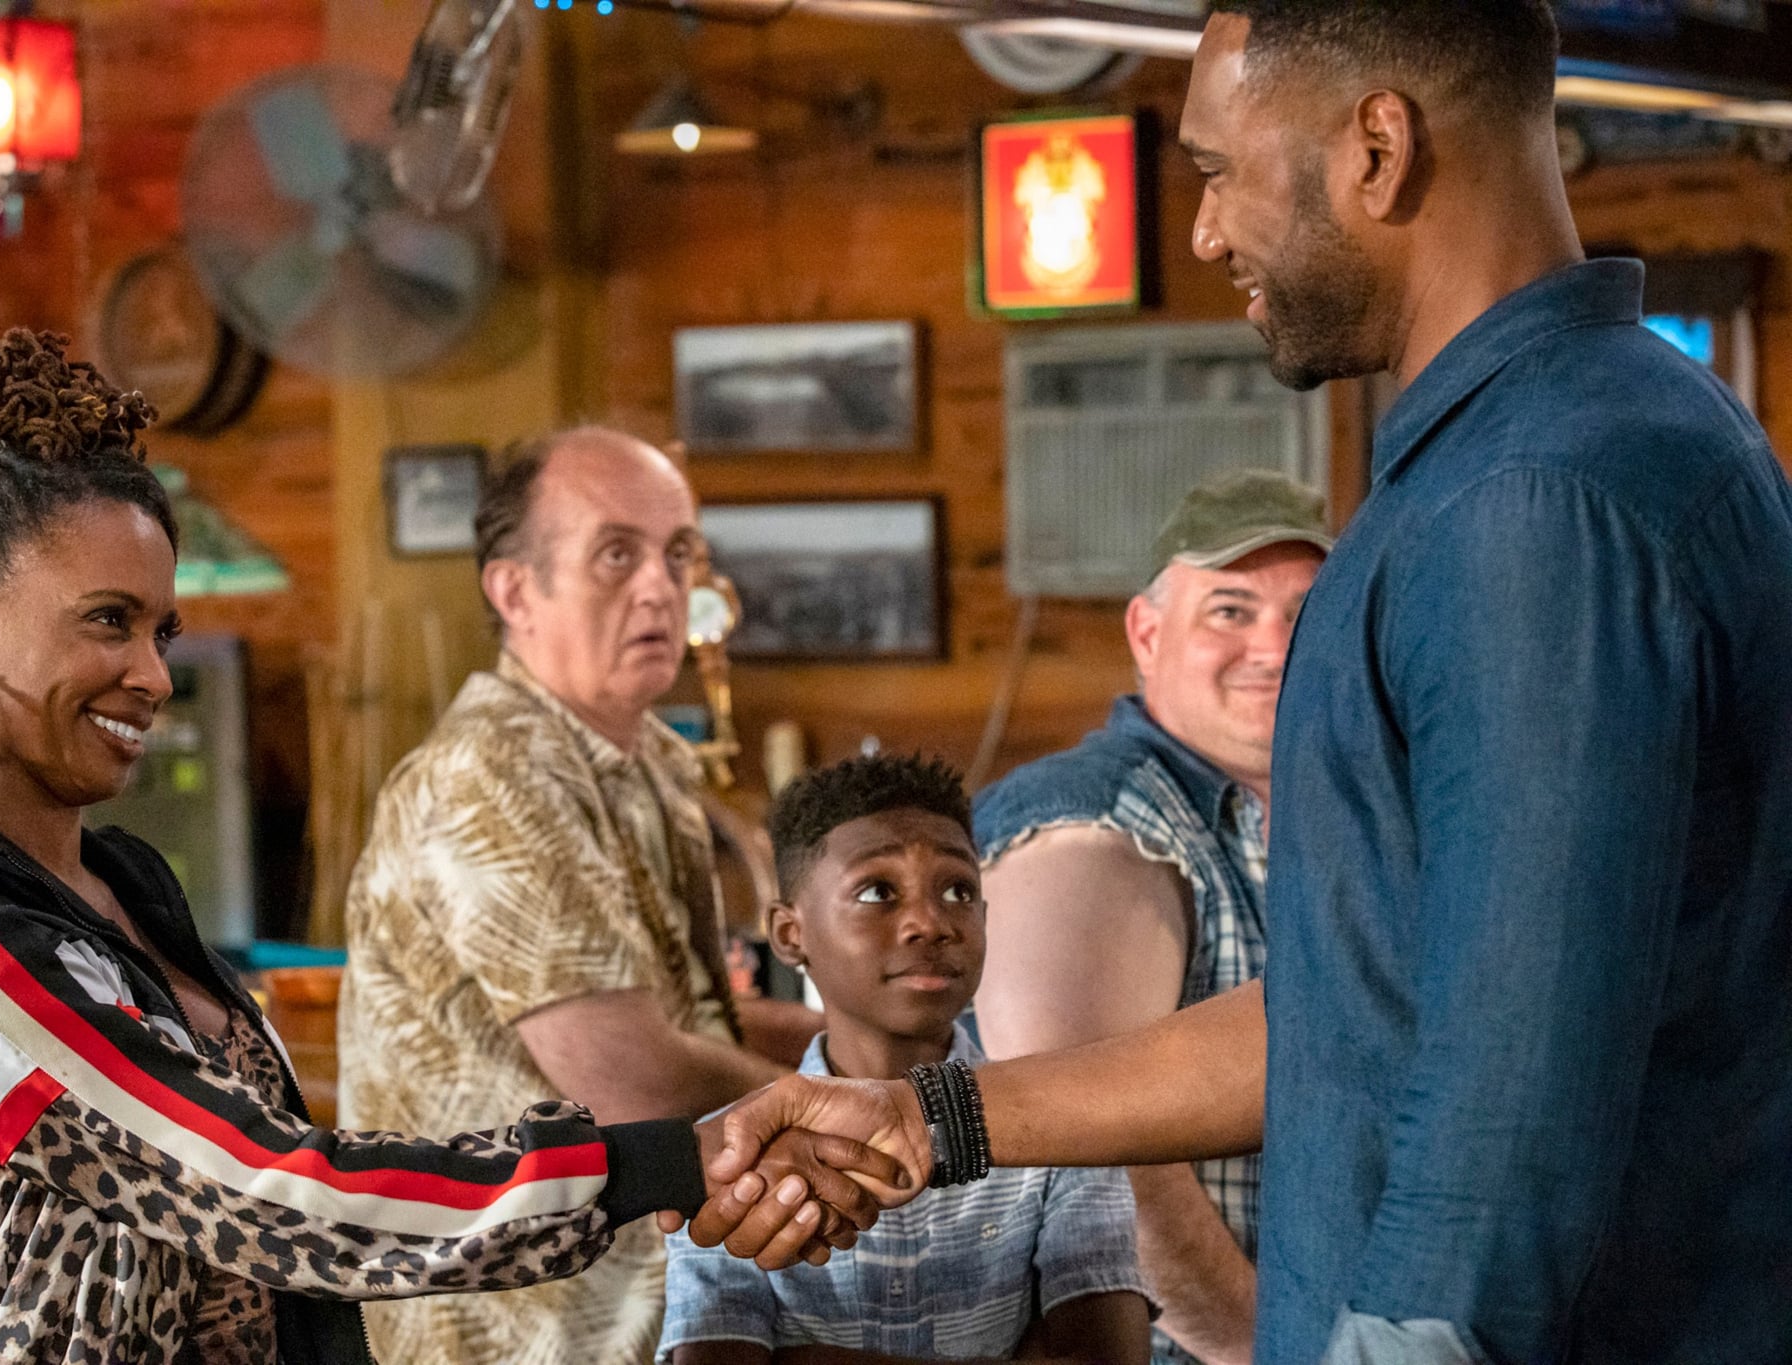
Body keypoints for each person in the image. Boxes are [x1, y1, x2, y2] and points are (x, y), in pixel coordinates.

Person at [687, 4, 1792, 1362]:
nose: (1204, 231)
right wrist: (937, 1118)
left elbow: (1513, 1096)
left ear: (1376, 151)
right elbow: (1362, 1003)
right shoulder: (1556, 446)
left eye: (1218, 170)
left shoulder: (1535, 498)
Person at [0, 332, 893, 1365]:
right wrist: (678, 1157)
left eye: (161, 632)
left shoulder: (122, 879)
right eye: (109, 622)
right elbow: (269, 1190)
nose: (155, 675)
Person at [340, 426, 821, 1365]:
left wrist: (884, 1058)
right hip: (525, 1327)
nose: (660, 587)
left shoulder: (635, 763)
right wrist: (872, 1103)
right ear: (515, 590)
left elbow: (695, 1025)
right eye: (615, 553)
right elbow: (633, 1076)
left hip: (648, 1295)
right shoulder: (492, 773)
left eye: (678, 553)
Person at [973, 470, 1326, 1365]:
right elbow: (1084, 1148)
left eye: (1305, 612)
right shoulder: (1094, 819)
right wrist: (1256, 1345)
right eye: (1232, 610)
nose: (1275, 647)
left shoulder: (1329, 820)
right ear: (1147, 631)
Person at [661, 755, 1154, 1365]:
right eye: (877, 892)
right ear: (791, 935)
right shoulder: (734, 1150)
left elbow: (1107, 1355)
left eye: (958, 891)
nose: (930, 922)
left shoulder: (1064, 1137)